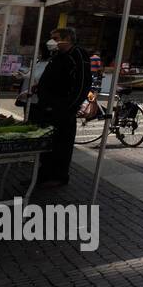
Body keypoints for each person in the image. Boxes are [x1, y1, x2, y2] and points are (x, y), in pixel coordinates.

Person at [29, 27, 92, 189]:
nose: (52, 42)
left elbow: (83, 83)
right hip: (47, 107)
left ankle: (59, 176)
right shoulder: (58, 55)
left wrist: (69, 107)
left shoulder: (78, 54)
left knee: (61, 145)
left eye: (56, 38)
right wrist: (39, 87)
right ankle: (43, 175)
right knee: (47, 143)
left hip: (62, 109)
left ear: (67, 39)